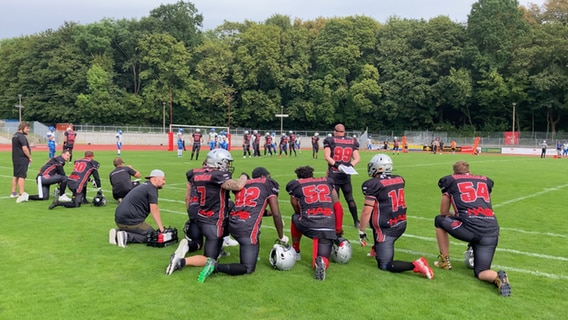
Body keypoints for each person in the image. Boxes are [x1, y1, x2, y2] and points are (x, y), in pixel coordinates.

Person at [197, 167, 288, 282]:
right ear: (265, 176)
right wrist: (281, 236)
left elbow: (250, 207)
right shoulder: (268, 183)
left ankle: (248, 253)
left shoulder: (245, 184)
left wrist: (269, 213)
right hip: (246, 229)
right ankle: (215, 267)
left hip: (232, 223)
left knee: (252, 238)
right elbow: (276, 214)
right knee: (248, 268)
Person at [434, 160, 511, 297]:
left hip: (470, 230)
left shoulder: (450, 182)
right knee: (481, 272)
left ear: (454, 172)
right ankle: (497, 277)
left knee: (439, 220)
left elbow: (444, 211)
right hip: (491, 231)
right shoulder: (484, 181)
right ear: (469, 171)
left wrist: (458, 216)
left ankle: (444, 261)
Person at [165, 149, 248, 275]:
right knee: (210, 259)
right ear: (218, 162)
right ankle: (181, 261)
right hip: (214, 221)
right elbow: (237, 186)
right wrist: (244, 176)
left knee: (209, 242)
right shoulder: (218, 175)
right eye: (227, 162)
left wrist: (190, 213)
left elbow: (187, 197)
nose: (228, 166)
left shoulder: (195, 173)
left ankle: (213, 249)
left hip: (200, 216)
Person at [358, 154, 434, 279]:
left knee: (385, 265)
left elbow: (367, 211)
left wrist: (361, 230)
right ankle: (376, 248)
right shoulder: (399, 179)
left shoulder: (372, 184)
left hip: (387, 229)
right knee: (377, 215)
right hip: (401, 223)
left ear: (378, 168)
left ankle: (416, 265)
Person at [286, 166, 344, 281]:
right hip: (327, 226)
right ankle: (322, 262)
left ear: (298, 177)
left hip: (309, 225)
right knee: (323, 256)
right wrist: (338, 229)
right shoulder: (327, 182)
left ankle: (296, 250)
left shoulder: (295, 185)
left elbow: (296, 209)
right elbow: (338, 207)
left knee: (295, 217)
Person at [110, 169, 167, 247]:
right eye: (163, 179)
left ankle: (117, 232)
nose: (164, 182)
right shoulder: (152, 189)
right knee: (152, 235)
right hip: (131, 221)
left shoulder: (144, 186)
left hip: (119, 220)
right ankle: (126, 236)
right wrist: (162, 229)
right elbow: (154, 210)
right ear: (155, 179)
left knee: (143, 229)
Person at [323, 123, 361, 228]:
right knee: (350, 198)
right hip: (346, 175)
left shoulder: (330, 140)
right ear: (344, 131)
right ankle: (356, 221)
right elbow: (357, 158)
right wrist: (348, 166)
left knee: (335, 201)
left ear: (335, 131)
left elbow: (327, 157)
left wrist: (337, 165)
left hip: (334, 175)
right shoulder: (352, 141)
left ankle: (334, 222)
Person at [11, 121, 32, 202]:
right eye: (27, 128)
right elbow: (24, 148)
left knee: (15, 175)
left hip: (15, 158)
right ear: (22, 128)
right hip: (22, 159)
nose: (28, 130)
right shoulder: (21, 137)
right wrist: (29, 157)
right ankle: (21, 193)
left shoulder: (14, 136)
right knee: (22, 176)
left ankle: (13, 192)